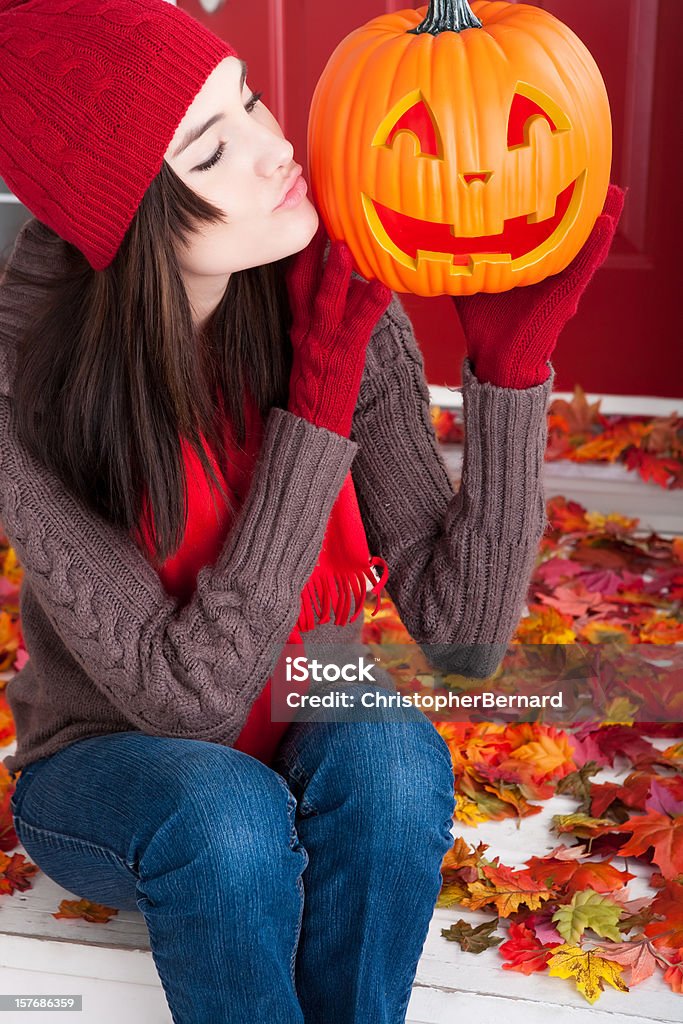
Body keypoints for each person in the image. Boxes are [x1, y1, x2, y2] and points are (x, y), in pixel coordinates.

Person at [0, 1, 624, 1021]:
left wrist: (508, 377)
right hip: (109, 766)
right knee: (226, 812)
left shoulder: (328, 292)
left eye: (246, 98)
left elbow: (460, 635)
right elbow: (185, 700)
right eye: (214, 146)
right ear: (133, 218)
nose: (273, 147)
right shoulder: (22, 387)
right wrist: (313, 415)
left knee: (392, 755)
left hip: (306, 701)